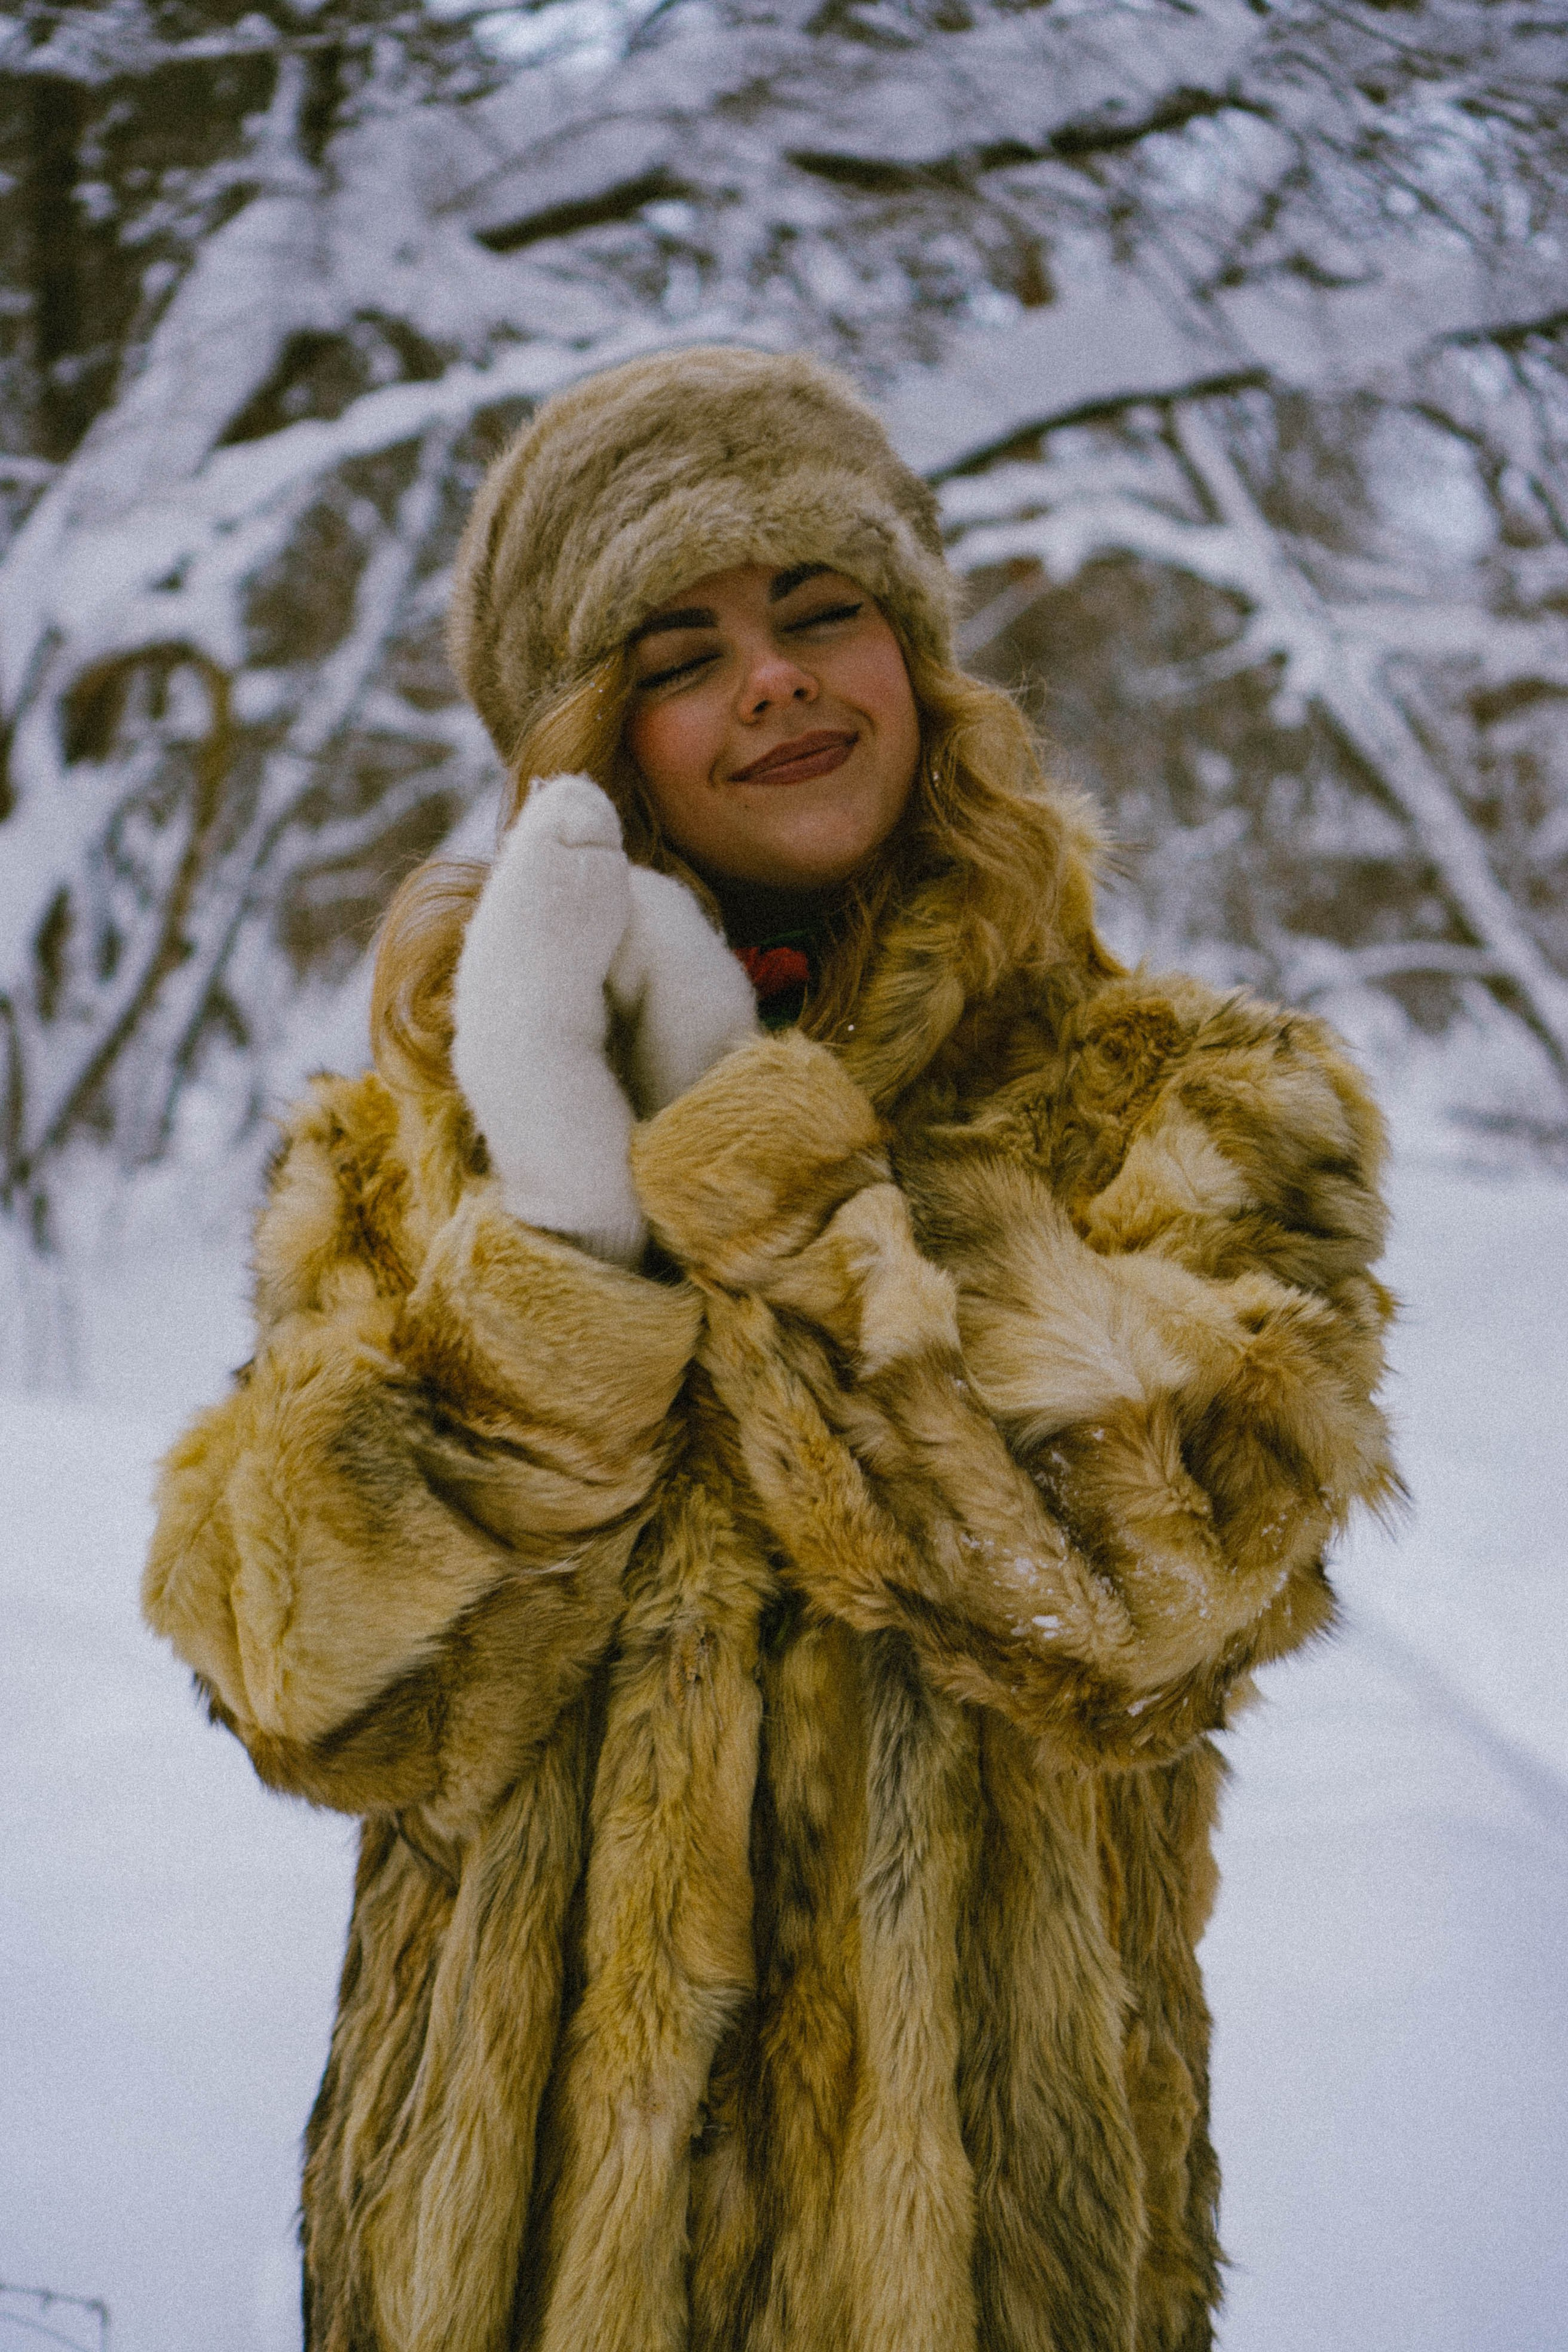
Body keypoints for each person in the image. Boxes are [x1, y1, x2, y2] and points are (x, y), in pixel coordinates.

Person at [142, 346, 1398, 2352]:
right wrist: (559, 1232)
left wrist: (755, 1163)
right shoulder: (411, 1153)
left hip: (973, 2263)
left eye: (822, 613)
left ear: (918, 658)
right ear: (589, 739)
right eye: (683, 651)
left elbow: (1135, 1602)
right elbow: (315, 1693)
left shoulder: (1188, 1097)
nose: (776, 682)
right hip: (499, 2271)